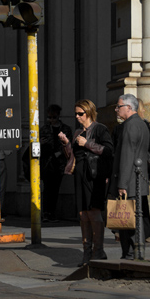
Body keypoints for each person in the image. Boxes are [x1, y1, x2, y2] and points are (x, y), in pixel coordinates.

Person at [60, 99, 112, 265]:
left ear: (89, 113)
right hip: (80, 175)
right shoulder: (77, 132)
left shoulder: (100, 129)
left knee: (94, 211)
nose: (77, 116)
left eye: (80, 113)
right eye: (76, 114)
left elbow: (108, 151)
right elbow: (72, 156)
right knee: (83, 213)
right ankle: (87, 252)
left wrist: (87, 143)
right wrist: (67, 144)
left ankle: (99, 251)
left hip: (94, 176)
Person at [109, 94, 150, 260]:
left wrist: (122, 184)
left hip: (130, 182)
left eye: (118, 106)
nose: (116, 110)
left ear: (129, 107)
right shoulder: (141, 124)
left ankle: (130, 254)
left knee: (127, 221)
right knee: (135, 218)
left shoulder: (129, 125)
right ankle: (136, 252)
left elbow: (127, 156)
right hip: (137, 180)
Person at [40, 104, 73, 222]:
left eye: (53, 117)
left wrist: (60, 153)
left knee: (55, 189)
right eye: (49, 117)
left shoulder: (66, 129)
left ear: (58, 116)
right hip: (47, 162)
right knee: (47, 188)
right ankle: (46, 213)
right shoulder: (44, 129)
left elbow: (69, 144)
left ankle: (52, 213)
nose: (51, 120)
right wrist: (40, 143)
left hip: (59, 163)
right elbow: (36, 143)